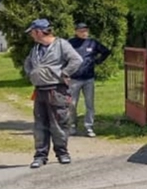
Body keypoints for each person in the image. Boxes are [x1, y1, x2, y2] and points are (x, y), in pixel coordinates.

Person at [23, 19, 83, 168]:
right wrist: (32, 74)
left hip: (57, 91)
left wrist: (65, 73)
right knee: (40, 124)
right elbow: (28, 63)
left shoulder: (61, 45)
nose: (31, 35)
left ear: (38, 32)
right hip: (40, 91)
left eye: (32, 32)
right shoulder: (35, 48)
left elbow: (77, 60)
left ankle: (62, 153)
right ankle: (40, 156)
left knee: (59, 123)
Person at [68, 22, 111, 137]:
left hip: (88, 78)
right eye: (81, 31)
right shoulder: (70, 43)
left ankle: (89, 127)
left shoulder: (92, 43)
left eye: (86, 31)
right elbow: (63, 57)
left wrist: (97, 61)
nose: (84, 33)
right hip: (74, 79)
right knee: (72, 104)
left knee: (89, 104)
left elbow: (106, 51)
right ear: (76, 32)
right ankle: (72, 125)